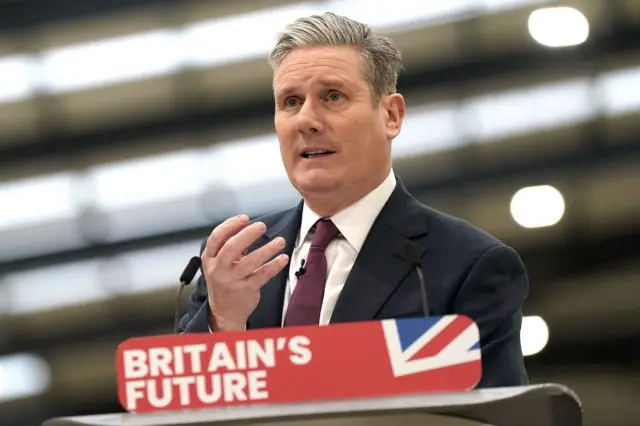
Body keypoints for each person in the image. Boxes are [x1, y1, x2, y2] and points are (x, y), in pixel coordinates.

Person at [178, 12, 529, 388]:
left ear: (391, 116)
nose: (306, 120)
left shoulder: (468, 265)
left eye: (333, 96)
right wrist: (224, 323)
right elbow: (180, 406)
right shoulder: (237, 261)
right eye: (291, 101)